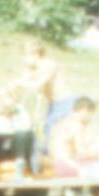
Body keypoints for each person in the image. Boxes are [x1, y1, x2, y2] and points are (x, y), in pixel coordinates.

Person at [20, 39, 74, 174]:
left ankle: (62, 167)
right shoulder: (33, 68)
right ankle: (47, 167)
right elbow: (25, 81)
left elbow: (36, 86)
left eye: (26, 55)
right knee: (46, 134)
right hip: (53, 105)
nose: (24, 59)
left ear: (35, 54)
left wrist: (18, 82)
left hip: (63, 103)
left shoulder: (47, 64)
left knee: (55, 135)